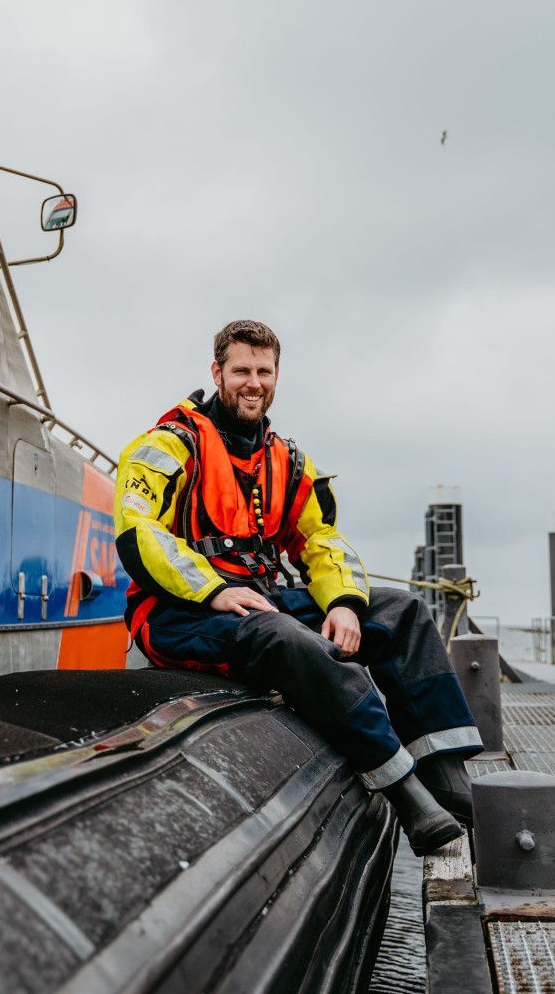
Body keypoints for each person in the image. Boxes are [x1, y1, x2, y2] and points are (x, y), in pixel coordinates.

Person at [114, 319, 481, 855]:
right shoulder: (167, 447)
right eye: (241, 370)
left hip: (261, 597)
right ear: (218, 373)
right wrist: (213, 589)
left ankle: (447, 777)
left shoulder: (285, 460)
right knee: (285, 635)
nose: (253, 382)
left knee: (400, 610)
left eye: (264, 371)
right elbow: (137, 529)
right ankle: (403, 790)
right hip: (182, 614)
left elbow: (320, 539)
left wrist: (346, 604)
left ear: (277, 377)